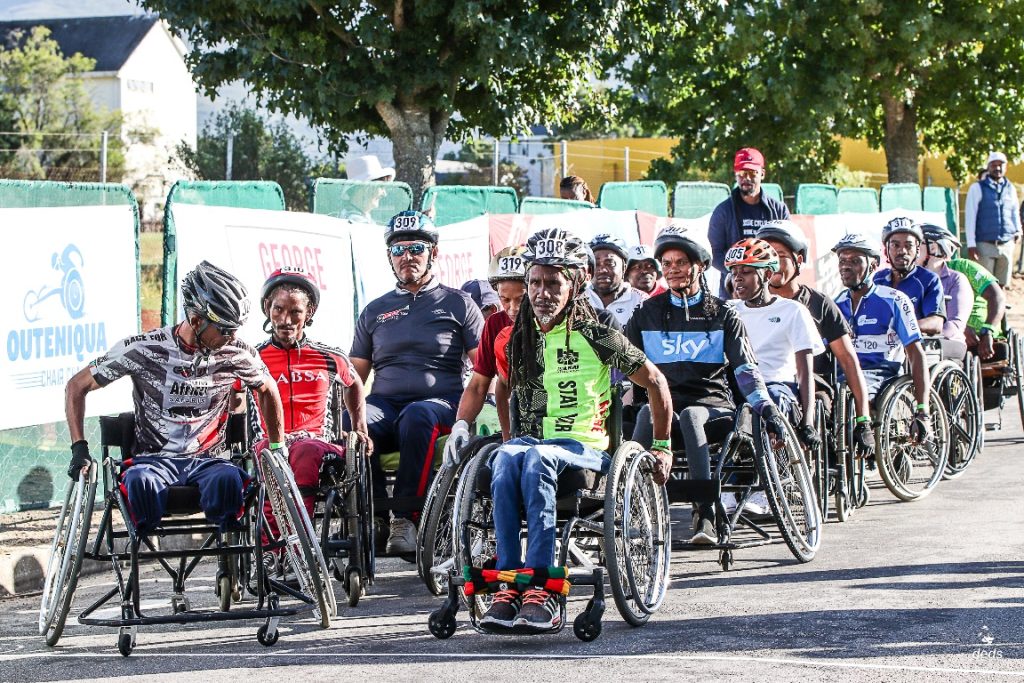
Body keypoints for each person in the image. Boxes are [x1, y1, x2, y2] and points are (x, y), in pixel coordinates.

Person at [482, 227, 672, 632]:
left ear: (576, 283)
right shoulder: (518, 338)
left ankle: (544, 589)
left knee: (536, 457)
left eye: (553, 283)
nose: (541, 293)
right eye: (535, 282)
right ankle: (509, 584)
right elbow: (502, 387)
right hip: (533, 443)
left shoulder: (597, 335)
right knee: (506, 458)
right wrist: (506, 437)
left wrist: (662, 445)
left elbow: (656, 382)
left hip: (584, 448)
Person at [65, 261, 286, 535]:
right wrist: (79, 448)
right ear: (196, 320)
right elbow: (76, 386)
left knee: (229, 480)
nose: (233, 337)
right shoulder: (144, 348)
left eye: (236, 328)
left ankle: (230, 544)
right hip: (152, 461)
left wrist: (277, 447)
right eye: (225, 330)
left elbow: (268, 389)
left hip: (209, 460)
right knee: (140, 483)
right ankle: (143, 541)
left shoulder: (237, 353)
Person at [624, 225, 789, 545]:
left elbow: (746, 371)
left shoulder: (723, 313)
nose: (673, 270)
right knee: (646, 413)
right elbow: (619, 369)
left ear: (700, 266)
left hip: (713, 407)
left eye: (681, 263)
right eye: (667, 264)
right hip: (664, 406)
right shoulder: (646, 313)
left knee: (691, 416)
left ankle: (706, 514)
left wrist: (766, 408)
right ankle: (633, 510)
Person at [348, 210, 484, 554]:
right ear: (389, 257)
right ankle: (375, 516)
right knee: (359, 420)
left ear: (433, 253)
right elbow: (354, 376)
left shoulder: (459, 303)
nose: (407, 256)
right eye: (398, 250)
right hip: (386, 403)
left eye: (416, 248)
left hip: (441, 404)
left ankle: (405, 518)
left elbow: (484, 368)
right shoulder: (374, 310)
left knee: (417, 415)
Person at [254, 266, 369, 521]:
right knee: (269, 452)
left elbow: (354, 384)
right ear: (267, 308)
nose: (286, 320)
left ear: (309, 313)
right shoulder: (253, 358)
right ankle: (273, 541)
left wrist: (359, 428)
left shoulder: (329, 357)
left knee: (305, 450)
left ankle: (298, 534)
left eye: (295, 311)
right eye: (278, 309)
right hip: (269, 443)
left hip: (317, 444)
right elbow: (232, 394)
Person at [756, 220, 873, 440]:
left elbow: (848, 361)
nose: (772, 263)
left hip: (812, 387)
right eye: (765, 256)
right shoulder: (748, 304)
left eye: (780, 255)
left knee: (814, 402)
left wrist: (863, 420)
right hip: (763, 383)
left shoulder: (820, 304)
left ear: (798, 260)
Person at [832, 234, 932, 445]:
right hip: (843, 373)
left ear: (873, 265)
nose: (846, 266)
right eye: (842, 261)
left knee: (850, 393)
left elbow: (916, 354)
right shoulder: (836, 303)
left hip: (881, 373)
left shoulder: (894, 300)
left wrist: (922, 410)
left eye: (855, 261)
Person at [725, 238, 824, 450]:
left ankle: (774, 453)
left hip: (777, 385)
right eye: (734, 273)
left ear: (768, 274)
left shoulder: (793, 311)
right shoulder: (729, 310)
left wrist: (808, 422)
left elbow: (805, 372)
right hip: (740, 385)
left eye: (746, 271)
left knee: (773, 398)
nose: (738, 278)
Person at [444, 247, 527, 465]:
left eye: (521, 299)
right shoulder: (495, 323)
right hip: (510, 410)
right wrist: (461, 424)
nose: (512, 309)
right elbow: (478, 385)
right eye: (505, 299)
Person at [708, 147, 791, 293]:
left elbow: (788, 250)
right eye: (741, 173)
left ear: (762, 174)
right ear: (735, 175)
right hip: (734, 292)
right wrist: (737, 273)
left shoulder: (779, 210)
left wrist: (768, 275)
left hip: (770, 290)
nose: (746, 178)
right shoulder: (722, 211)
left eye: (752, 173)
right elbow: (713, 253)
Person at [873, 217, 945, 337]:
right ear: (886, 250)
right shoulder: (877, 279)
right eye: (895, 245)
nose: (902, 251)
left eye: (908, 245)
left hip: (914, 344)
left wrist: (899, 328)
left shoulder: (929, 280)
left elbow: (936, 323)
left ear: (917, 250)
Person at [914, 224, 972, 361]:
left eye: (917, 244)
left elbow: (955, 325)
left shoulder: (956, 280)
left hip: (948, 342)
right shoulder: (908, 280)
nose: (909, 249)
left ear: (933, 248)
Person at [965, 151, 1020, 287]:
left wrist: (1018, 230)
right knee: (986, 286)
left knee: (1002, 284)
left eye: (1001, 165)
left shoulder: (1010, 188)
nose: (997, 168)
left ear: (1006, 167)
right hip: (984, 244)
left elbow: (1014, 211)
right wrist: (971, 244)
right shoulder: (977, 188)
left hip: (1006, 244)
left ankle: (1001, 302)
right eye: (994, 165)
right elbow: (970, 216)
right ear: (988, 167)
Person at [947, 243, 1007, 361]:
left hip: (980, 334)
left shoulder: (964, 267)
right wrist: (960, 327)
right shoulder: (917, 275)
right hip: (946, 336)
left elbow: (997, 297)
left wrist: (987, 331)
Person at [585, 234, 648, 326]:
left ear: (624, 267)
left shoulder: (642, 302)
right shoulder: (578, 300)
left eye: (610, 263)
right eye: (596, 264)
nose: (602, 270)